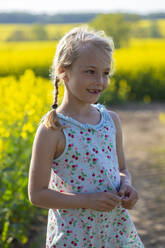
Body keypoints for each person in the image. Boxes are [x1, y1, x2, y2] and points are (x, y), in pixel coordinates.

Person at [28, 25, 144, 247]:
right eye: (90, 71)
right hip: (74, 237)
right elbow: (37, 194)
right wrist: (87, 201)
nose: (100, 81)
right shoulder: (53, 129)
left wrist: (126, 185)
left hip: (114, 231)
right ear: (64, 71)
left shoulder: (111, 121)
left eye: (106, 73)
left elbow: (122, 170)